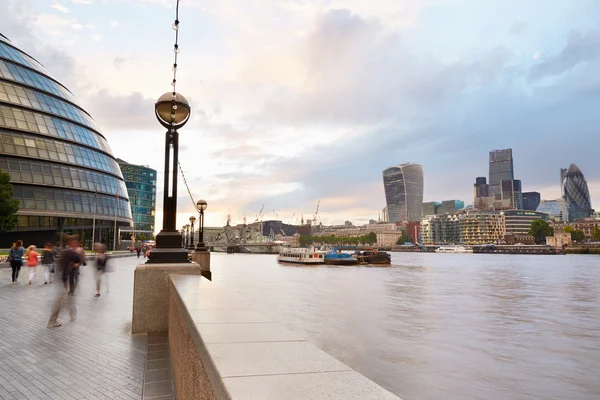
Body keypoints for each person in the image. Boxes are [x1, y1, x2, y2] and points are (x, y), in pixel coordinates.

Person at [47, 236, 83, 328]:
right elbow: (79, 258)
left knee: (69, 298)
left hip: (67, 279)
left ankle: (72, 314)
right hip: (64, 279)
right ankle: (52, 322)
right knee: (61, 300)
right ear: (71, 243)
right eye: (74, 243)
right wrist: (77, 261)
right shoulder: (69, 252)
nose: (75, 244)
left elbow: (78, 260)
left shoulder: (65, 252)